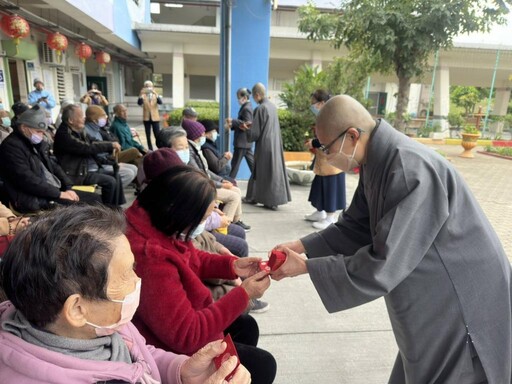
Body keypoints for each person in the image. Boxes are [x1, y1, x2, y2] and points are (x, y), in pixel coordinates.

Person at [272, 94, 512, 383]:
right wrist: (300, 247)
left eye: (326, 147)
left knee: (453, 372)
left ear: (351, 136)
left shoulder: (410, 169)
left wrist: (308, 267)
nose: (324, 155)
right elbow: (355, 226)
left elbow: (385, 261)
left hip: (459, 295)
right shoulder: (377, 160)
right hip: (427, 290)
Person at [0, 204, 251, 384]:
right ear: (77, 309)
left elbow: (139, 354)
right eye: (128, 273)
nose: (138, 279)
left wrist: (180, 370)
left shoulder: (100, 325)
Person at [125, 166, 277, 384]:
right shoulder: (150, 257)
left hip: (181, 322)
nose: (204, 225)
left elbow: (190, 257)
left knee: (246, 326)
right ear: (179, 212)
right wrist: (243, 294)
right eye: (202, 219)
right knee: (263, 365)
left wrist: (233, 266)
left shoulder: (156, 222)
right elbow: (187, 335)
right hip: (167, 348)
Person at [0, 105, 101, 213]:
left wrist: (68, 187)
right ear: (24, 128)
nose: (42, 135)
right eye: (38, 131)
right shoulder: (11, 147)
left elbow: (54, 166)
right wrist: (59, 194)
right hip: (31, 199)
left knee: (96, 199)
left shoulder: (36, 143)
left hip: (49, 191)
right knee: (85, 207)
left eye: (43, 132)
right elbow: (27, 180)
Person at [182, 119, 251, 232]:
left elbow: (206, 170)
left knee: (236, 190)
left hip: (209, 182)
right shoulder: (197, 150)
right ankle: (223, 226)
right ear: (196, 135)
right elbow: (207, 172)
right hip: (205, 186)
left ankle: (234, 221)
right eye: (202, 133)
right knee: (233, 196)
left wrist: (221, 180)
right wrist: (221, 184)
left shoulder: (197, 148)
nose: (203, 135)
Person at [54, 104, 125, 206]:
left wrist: (109, 147)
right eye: (81, 116)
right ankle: (107, 211)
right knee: (110, 181)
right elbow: (87, 147)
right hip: (75, 174)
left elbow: (93, 142)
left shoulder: (79, 130)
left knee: (115, 175)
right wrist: (110, 145)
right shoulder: (64, 135)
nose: (84, 118)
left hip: (83, 169)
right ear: (71, 120)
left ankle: (116, 207)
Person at [244, 83, 291, 210]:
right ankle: (264, 199)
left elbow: (255, 133)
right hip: (274, 143)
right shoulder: (272, 106)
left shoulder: (260, 108)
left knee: (263, 171)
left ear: (257, 95)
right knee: (271, 171)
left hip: (264, 145)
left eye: (254, 97)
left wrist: (247, 129)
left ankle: (267, 200)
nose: (254, 99)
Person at [304, 90, 346, 229]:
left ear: (321, 103)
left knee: (330, 186)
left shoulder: (332, 115)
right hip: (324, 159)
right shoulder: (326, 115)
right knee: (320, 185)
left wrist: (314, 143)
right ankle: (320, 212)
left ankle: (330, 218)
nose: (312, 106)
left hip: (332, 159)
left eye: (314, 103)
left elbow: (330, 138)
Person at [84, 105, 138, 189]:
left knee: (134, 168)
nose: (106, 118)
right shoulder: (87, 131)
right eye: (103, 116)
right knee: (129, 173)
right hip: (98, 165)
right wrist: (112, 162)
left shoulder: (97, 129)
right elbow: (95, 152)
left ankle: (114, 192)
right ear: (94, 119)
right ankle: (111, 192)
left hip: (106, 159)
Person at [227, 87, 255, 179]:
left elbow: (248, 124)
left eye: (239, 98)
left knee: (234, 166)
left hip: (242, 143)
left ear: (245, 98)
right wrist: (233, 125)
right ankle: (259, 180)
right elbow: (244, 123)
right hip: (245, 143)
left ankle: (229, 183)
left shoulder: (246, 108)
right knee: (253, 166)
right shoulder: (247, 107)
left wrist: (233, 121)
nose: (238, 100)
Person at [138, 80, 162, 150]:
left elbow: (160, 102)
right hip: (146, 118)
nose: (148, 88)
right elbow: (139, 103)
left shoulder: (155, 95)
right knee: (148, 135)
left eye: (150, 86)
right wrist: (141, 95)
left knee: (157, 134)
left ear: (152, 87)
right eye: (146, 86)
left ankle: (159, 148)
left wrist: (156, 94)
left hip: (155, 118)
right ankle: (150, 149)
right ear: (144, 87)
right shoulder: (143, 95)